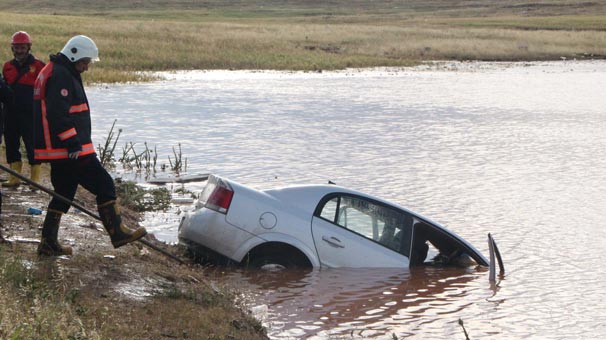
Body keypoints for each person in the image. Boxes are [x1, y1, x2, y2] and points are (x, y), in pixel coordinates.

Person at [33, 35, 147, 256]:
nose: (86, 67)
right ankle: (117, 233)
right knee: (104, 184)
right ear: (74, 54)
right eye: (84, 62)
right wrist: (72, 142)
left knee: (64, 192)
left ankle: (48, 242)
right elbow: (58, 114)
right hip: (71, 149)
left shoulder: (60, 70)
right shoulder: (61, 75)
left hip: (62, 149)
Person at [2, 31, 45, 188]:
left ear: (29, 47)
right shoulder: (7, 67)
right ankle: (14, 178)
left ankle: (34, 181)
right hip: (11, 113)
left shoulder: (40, 66)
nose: (20, 51)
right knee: (11, 144)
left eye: (23, 47)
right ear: (12, 48)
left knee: (32, 145)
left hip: (30, 114)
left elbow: (46, 90)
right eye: (17, 47)